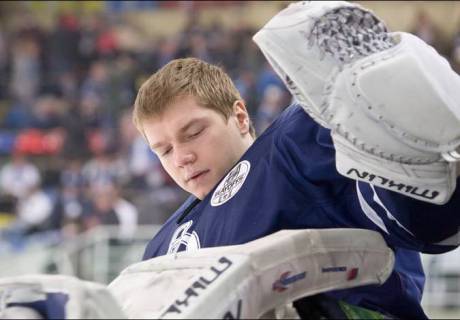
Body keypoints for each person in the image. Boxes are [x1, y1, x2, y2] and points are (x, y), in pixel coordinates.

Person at [132, 6, 460, 320]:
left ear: (241, 117)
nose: (181, 158)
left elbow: (430, 221)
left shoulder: (292, 145)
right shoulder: (159, 248)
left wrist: (400, 117)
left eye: (193, 133)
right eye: (163, 150)